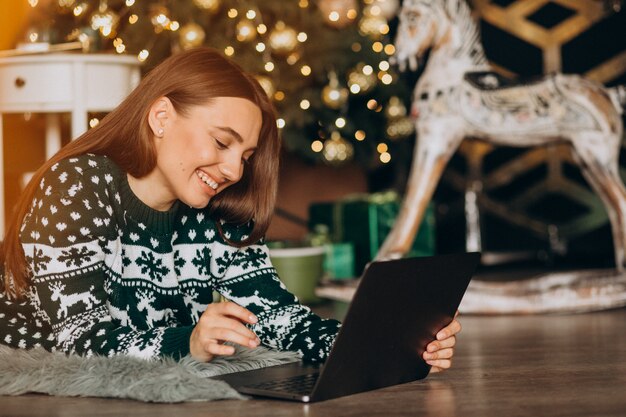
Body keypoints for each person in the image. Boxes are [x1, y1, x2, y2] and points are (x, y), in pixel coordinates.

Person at [0, 47, 460, 370]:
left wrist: (391, 343)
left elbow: (280, 317)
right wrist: (189, 342)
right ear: (160, 117)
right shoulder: (78, 184)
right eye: (222, 142)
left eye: (244, 156)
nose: (233, 171)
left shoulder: (212, 209)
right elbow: (80, 343)